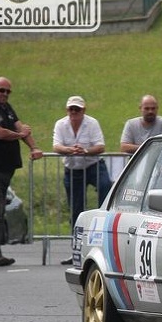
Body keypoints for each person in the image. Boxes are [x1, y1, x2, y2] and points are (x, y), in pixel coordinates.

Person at [0, 77, 43, 266]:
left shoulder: (7, 108)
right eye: (1, 90)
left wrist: (33, 147)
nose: (5, 94)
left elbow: (19, 127)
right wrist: (20, 135)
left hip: (6, 167)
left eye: (8, 91)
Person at [52, 95, 112, 265]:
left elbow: (100, 146)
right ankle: (76, 250)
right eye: (71, 109)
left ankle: (103, 220)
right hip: (73, 169)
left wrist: (85, 151)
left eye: (77, 109)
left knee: (106, 186)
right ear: (67, 110)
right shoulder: (60, 124)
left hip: (93, 165)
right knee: (75, 210)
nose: (74, 112)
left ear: (83, 110)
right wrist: (69, 150)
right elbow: (56, 146)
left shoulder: (92, 123)